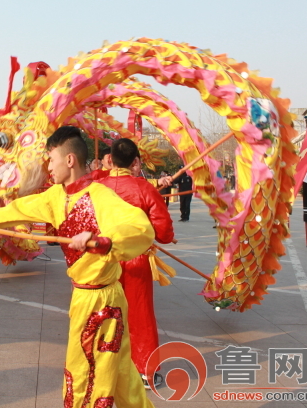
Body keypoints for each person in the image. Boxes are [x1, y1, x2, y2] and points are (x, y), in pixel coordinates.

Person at [0, 126, 155, 408]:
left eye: (51, 159)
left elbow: (140, 228)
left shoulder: (101, 196)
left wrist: (104, 241)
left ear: (69, 160)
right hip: (82, 298)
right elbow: (17, 210)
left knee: (87, 375)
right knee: (120, 376)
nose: (48, 166)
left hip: (103, 304)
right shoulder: (55, 197)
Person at [98, 139, 175, 389]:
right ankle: (146, 371)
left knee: (105, 314)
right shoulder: (144, 188)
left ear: (110, 159)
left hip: (102, 261)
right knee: (140, 316)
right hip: (136, 261)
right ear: (136, 163)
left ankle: (104, 367)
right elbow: (163, 232)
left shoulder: (96, 188)